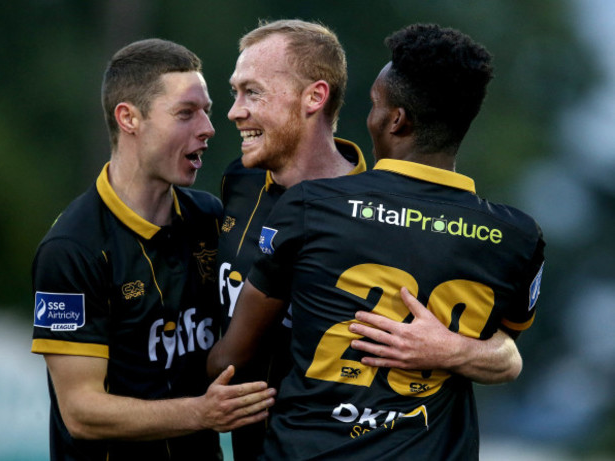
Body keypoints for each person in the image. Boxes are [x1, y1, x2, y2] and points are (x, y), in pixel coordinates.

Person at [209, 23, 545, 460]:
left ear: (395, 120)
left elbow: (230, 357)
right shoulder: (517, 237)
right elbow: (509, 354)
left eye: (373, 104)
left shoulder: (311, 207)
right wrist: (456, 350)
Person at [30, 38, 275, 461]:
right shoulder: (72, 248)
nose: (208, 128)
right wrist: (201, 413)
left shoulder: (210, 219)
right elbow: (81, 412)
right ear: (129, 118)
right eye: (185, 113)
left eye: (207, 111)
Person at [216, 19, 366, 460]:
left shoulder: (376, 214)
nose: (234, 111)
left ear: (314, 97)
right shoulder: (238, 181)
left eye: (253, 92)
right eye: (235, 92)